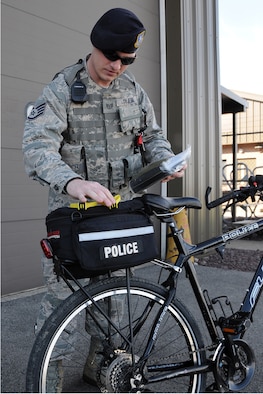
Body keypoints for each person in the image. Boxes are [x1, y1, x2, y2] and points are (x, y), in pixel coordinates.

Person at [22, 7, 185, 390]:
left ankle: (101, 368)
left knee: (114, 302)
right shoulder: (62, 87)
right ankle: (48, 378)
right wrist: (73, 181)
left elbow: (153, 136)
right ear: (95, 46)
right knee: (62, 304)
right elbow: (36, 147)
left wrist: (164, 160)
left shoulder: (133, 92)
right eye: (112, 56)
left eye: (127, 60)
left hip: (119, 214)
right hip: (74, 217)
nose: (117, 66)